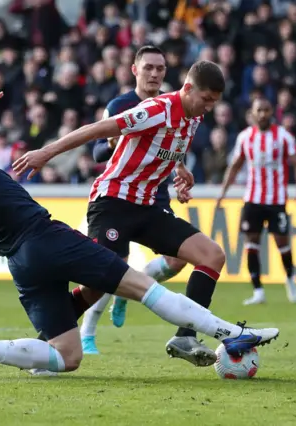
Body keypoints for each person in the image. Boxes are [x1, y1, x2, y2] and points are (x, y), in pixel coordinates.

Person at [0, 91, 280, 378]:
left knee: (67, 355)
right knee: (141, 284)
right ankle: (229, 332)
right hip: (45, 236)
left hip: (20, 261)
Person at [13, 61, 239, 368]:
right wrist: (46, 152)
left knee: (212, 255)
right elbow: (97, 129)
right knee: (101, 282)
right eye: (206, 99)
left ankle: (185, 336)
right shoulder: (157, 109)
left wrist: (181, 169)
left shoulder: (194, 114)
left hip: (147, 207)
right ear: (187, 89)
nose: (210, 108)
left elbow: (172, 143)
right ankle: (42, 344)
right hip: (113, 202)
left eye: (215, 102)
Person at [81, 45, 189, 356]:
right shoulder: (120, 105)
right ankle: (87, 333)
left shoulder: (173, 105)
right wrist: (115, 142)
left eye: (160, 68)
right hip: (121, 195)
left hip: (156, 194)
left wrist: (182, 171)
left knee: (177, 259)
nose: (154, 73)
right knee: (110, 267)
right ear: (135, 71)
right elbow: (97, 151)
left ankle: (126, 293)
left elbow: (178, 146)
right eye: (148, 68)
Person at [217, 98, 296, 305]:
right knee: (251, 243)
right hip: (253, 200)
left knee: (282, 242)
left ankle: (290, 278)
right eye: (259, 110)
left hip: (277, 200)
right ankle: (258, 291)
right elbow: (235, 166)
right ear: (253, 113)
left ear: (271, 111)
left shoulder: (283, 136)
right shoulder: (245, 137)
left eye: (266, 110)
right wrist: (222, 193)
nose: (263, 114)